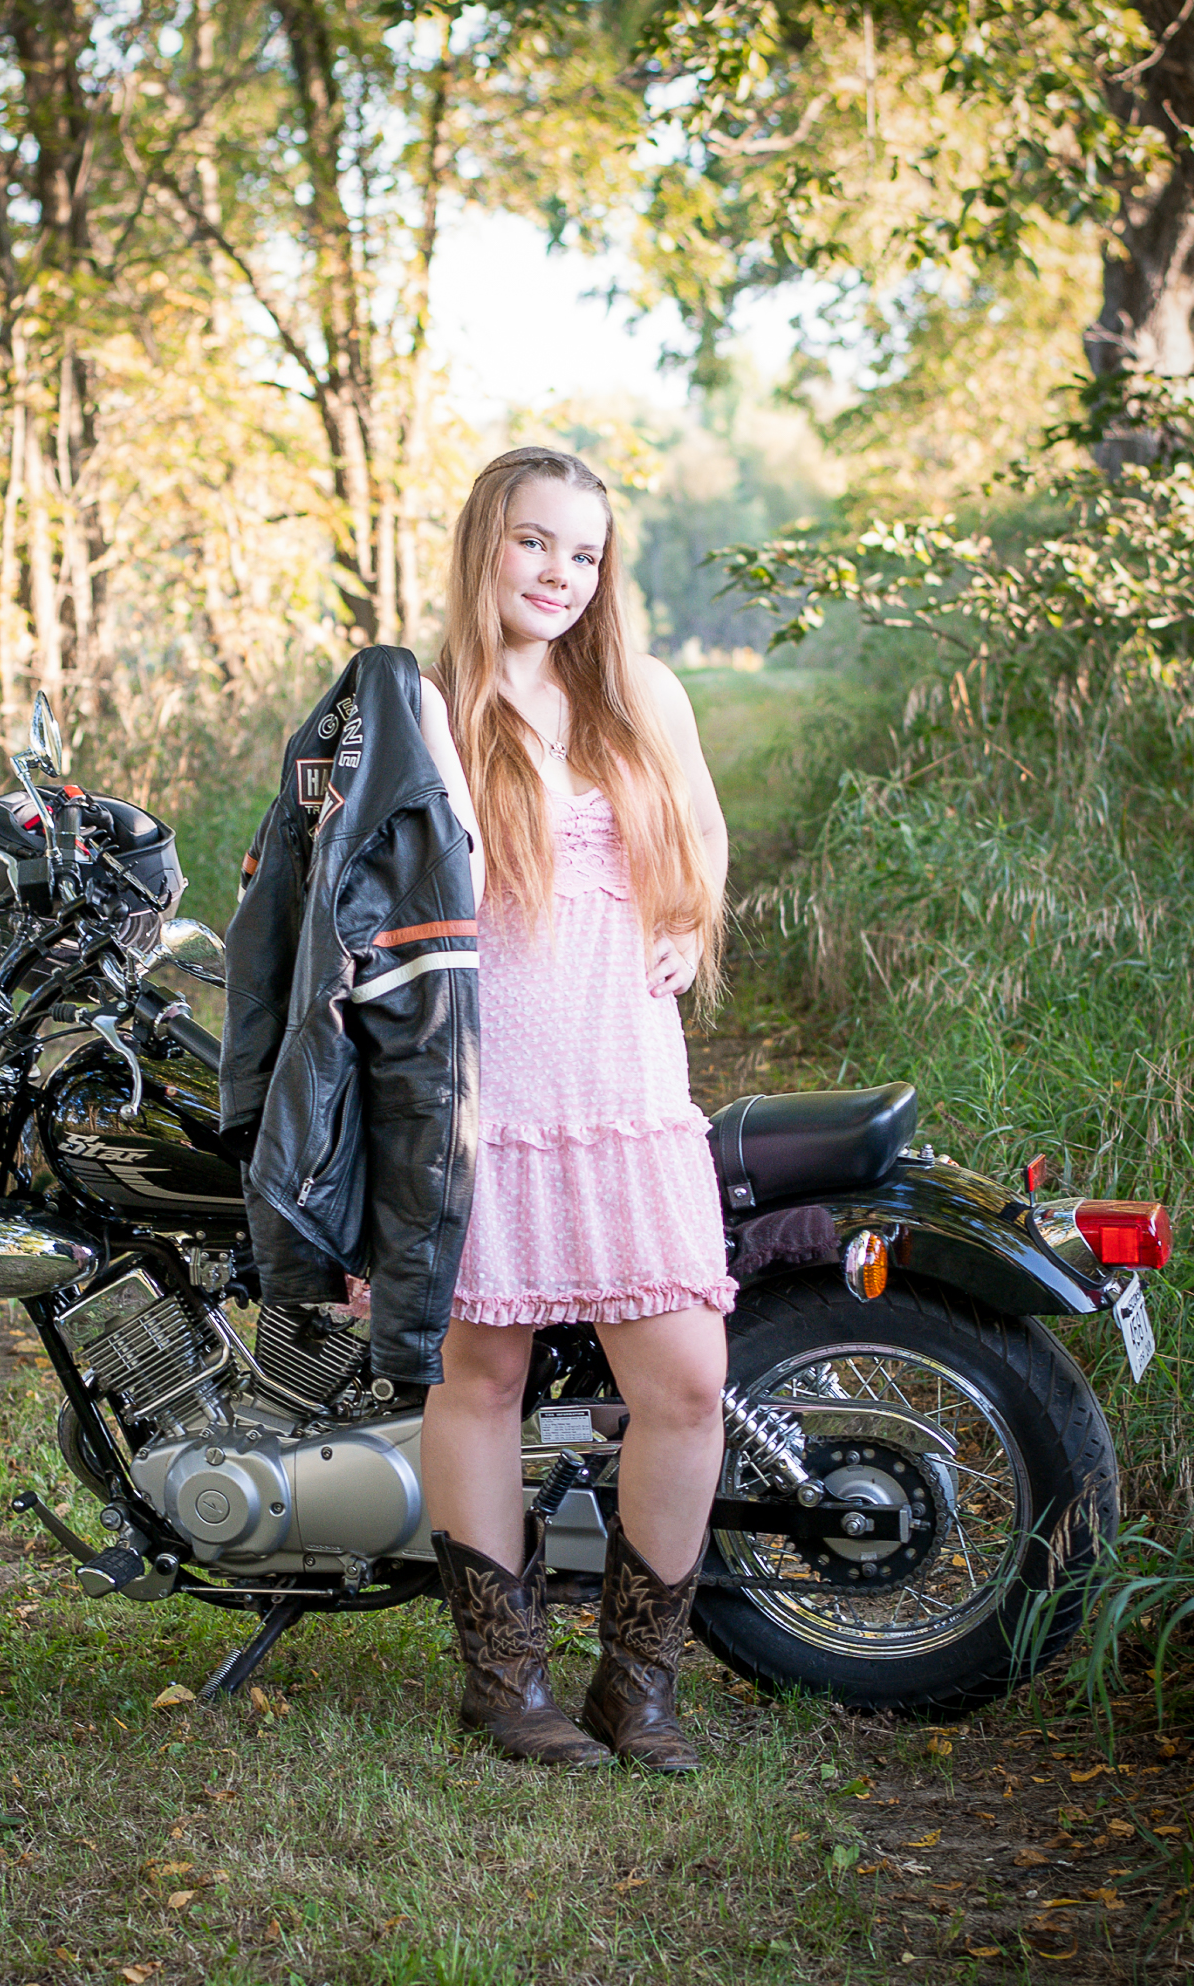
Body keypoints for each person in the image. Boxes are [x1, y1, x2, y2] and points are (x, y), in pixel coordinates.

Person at [412, 445, 736, 1772]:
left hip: (626, 1089)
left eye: (584, 553)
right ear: (486, 543)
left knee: (687, 1385)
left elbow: (703, 840)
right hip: (492, 1090)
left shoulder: (637, 694)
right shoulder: (431, 705)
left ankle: (637, 1685)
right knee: (480, 1375)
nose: (559, 573)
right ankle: (504, 1685)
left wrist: (687, 920)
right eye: (535, 542)